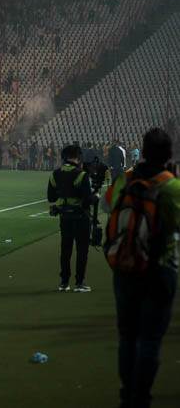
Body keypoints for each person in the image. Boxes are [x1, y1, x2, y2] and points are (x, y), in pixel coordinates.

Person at [105, 128, 180, 408]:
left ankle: (127, 394)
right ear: (169, 154)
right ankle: (141, 397)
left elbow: (106, 207)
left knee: (128, 335)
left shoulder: (125, 181)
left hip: (126, 268)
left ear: (142, 152)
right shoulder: (170, 186)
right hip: (160, 268)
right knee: (150, 338)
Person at [47, 144, 97, 292]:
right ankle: (80, 282)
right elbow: (87, 200)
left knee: (65, 249)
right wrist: (95, 197)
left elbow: (51, 197)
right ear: (78, 157)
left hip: (64, 217)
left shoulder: (55, 174)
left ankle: (64, 282)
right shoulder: (81, 175)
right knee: (82, 250)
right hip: (81, 217)